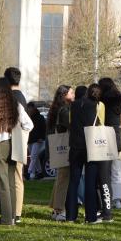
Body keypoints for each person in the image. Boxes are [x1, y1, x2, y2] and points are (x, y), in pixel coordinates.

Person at [0, 77, 33, 226]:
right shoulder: (16, 104)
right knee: (12, 181)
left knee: (2, 183)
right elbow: (29, 124)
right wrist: (19, 135)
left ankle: (6, 219)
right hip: (14, 144)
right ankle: (12, 216)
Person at [66, 83, 107, 222]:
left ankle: (70, 215)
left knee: (73, 182)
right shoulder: (98, 105)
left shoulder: (74, 105)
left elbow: (71, 123)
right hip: (91, 146)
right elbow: (101, 124)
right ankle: (91, 217)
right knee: (90, 182)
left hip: (75, 145)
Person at [48, 85, 75, 220]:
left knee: (60, 178)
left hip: (59, 147)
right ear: (65, 95)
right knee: (64, 178)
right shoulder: (64, 110)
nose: (74, 94)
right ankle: (59, 210)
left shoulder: (57, 108)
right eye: (71, 92)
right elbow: (71, 125)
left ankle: (55, 208)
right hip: (65, 147)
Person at [3, 67, 27, 221]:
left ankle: (12, 210)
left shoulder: (9, 97)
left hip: (10, 138)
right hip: (21, 139)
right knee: (18, 176)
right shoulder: (22, 97)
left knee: (11, 176)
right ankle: (17, 211)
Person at [99, 78, 121, 210]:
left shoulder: (103, 100)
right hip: (116, 133)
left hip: (105, 133)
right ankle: (117, 199)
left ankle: (106, 198)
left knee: (105, 170)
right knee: (116, 170)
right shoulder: (119, 98)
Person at [26, 102, 47, 180]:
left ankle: (30, 172)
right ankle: (40, 172)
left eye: (30, 108)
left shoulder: (40, 117)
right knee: (35, 157)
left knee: (33, 156)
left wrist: (41, 137)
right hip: (30, 140)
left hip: (38, 140)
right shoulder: (28, 118)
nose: (29, 110)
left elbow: (44, 128)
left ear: (33, 108)